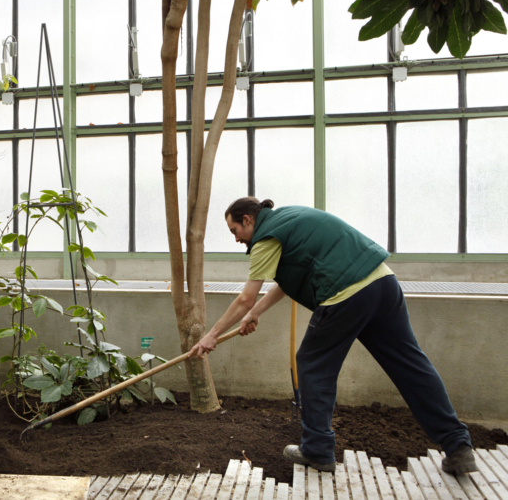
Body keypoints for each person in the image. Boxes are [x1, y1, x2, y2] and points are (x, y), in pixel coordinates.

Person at [189, 197, 476, 476]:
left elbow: (244, 299)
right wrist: (257, 313)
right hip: (382, 282)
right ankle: (458, 445)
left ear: (248, 220)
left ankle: (317, 449)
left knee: (313, 364)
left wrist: (211, 336)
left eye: (235, 230)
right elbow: (290, 282)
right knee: (411, 365)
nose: (236, 238)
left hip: (346, 294)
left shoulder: (265, 238)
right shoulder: (289, 219)